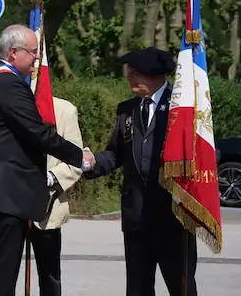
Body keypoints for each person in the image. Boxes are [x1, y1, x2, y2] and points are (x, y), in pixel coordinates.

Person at [0, 25, 94, 296]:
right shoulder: (9, 84)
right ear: (13, 53)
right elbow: (38, 133)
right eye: (33, 52)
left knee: (0, 268)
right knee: (1, 274)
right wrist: (79, 157)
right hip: (4, 194)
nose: (37, 58)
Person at [83, 47, 197, 296]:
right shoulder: (127, 109)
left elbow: (207, 153)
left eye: (136, 73)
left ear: (156, 75)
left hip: (173, 217)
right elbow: (115, 153)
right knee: (137, 288)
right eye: (129, 72)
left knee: (181, 286)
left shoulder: (182, 108)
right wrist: (91, 163)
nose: (130, 77)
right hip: (137, 219)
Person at [32, 96, 84, 296]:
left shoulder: (65, 110)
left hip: (49, 206)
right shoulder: (8, 103)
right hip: (12, 203)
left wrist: (51, 177)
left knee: (50, 276)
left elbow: (76, 159)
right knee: (4, 271)